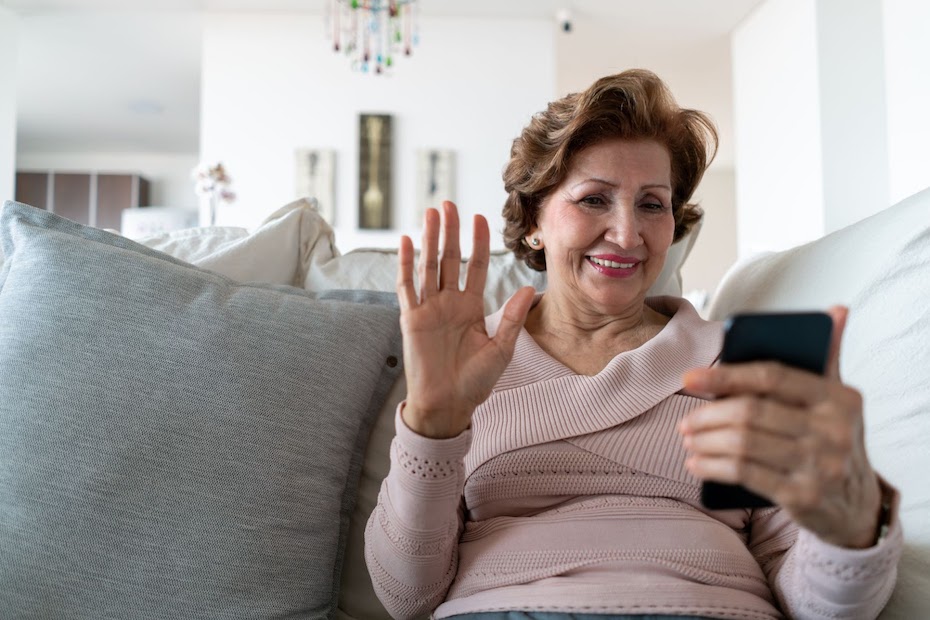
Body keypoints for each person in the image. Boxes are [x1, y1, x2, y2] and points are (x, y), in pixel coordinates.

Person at [364, 69, 901, 620]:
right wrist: (432, 422)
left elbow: (817, 605)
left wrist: (854, 525)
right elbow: (409, 597)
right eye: (594, 199)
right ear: (533, 223)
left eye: (651, 204)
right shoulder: (466, 362)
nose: (627, 233)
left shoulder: (738, 363)